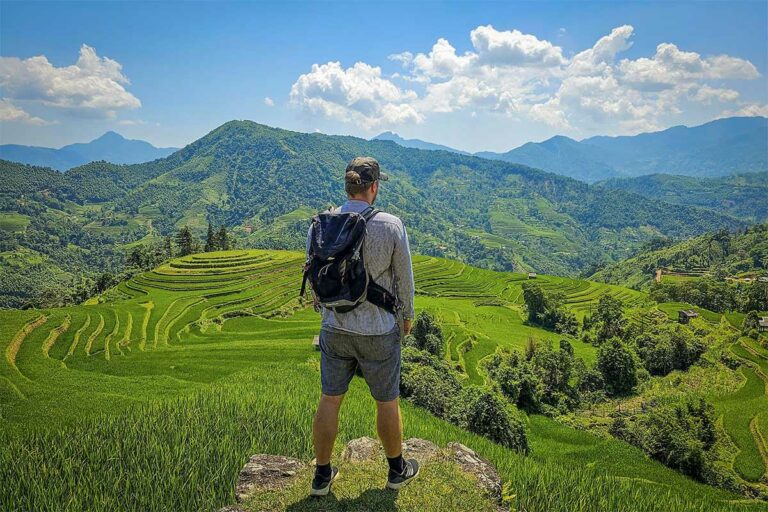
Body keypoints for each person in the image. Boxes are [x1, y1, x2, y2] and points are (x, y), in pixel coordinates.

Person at [308, 156, 418, 497]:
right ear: (373, 187)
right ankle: (396, 471)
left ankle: (322, 478)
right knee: (387, 401)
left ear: (348, 186)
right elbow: (405, 280)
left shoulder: (321, 223)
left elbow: (314, 273)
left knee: (329, 399)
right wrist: (407, 318)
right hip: (377, 330)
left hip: (335, 326)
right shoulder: (390, 224)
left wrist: (324, 309)